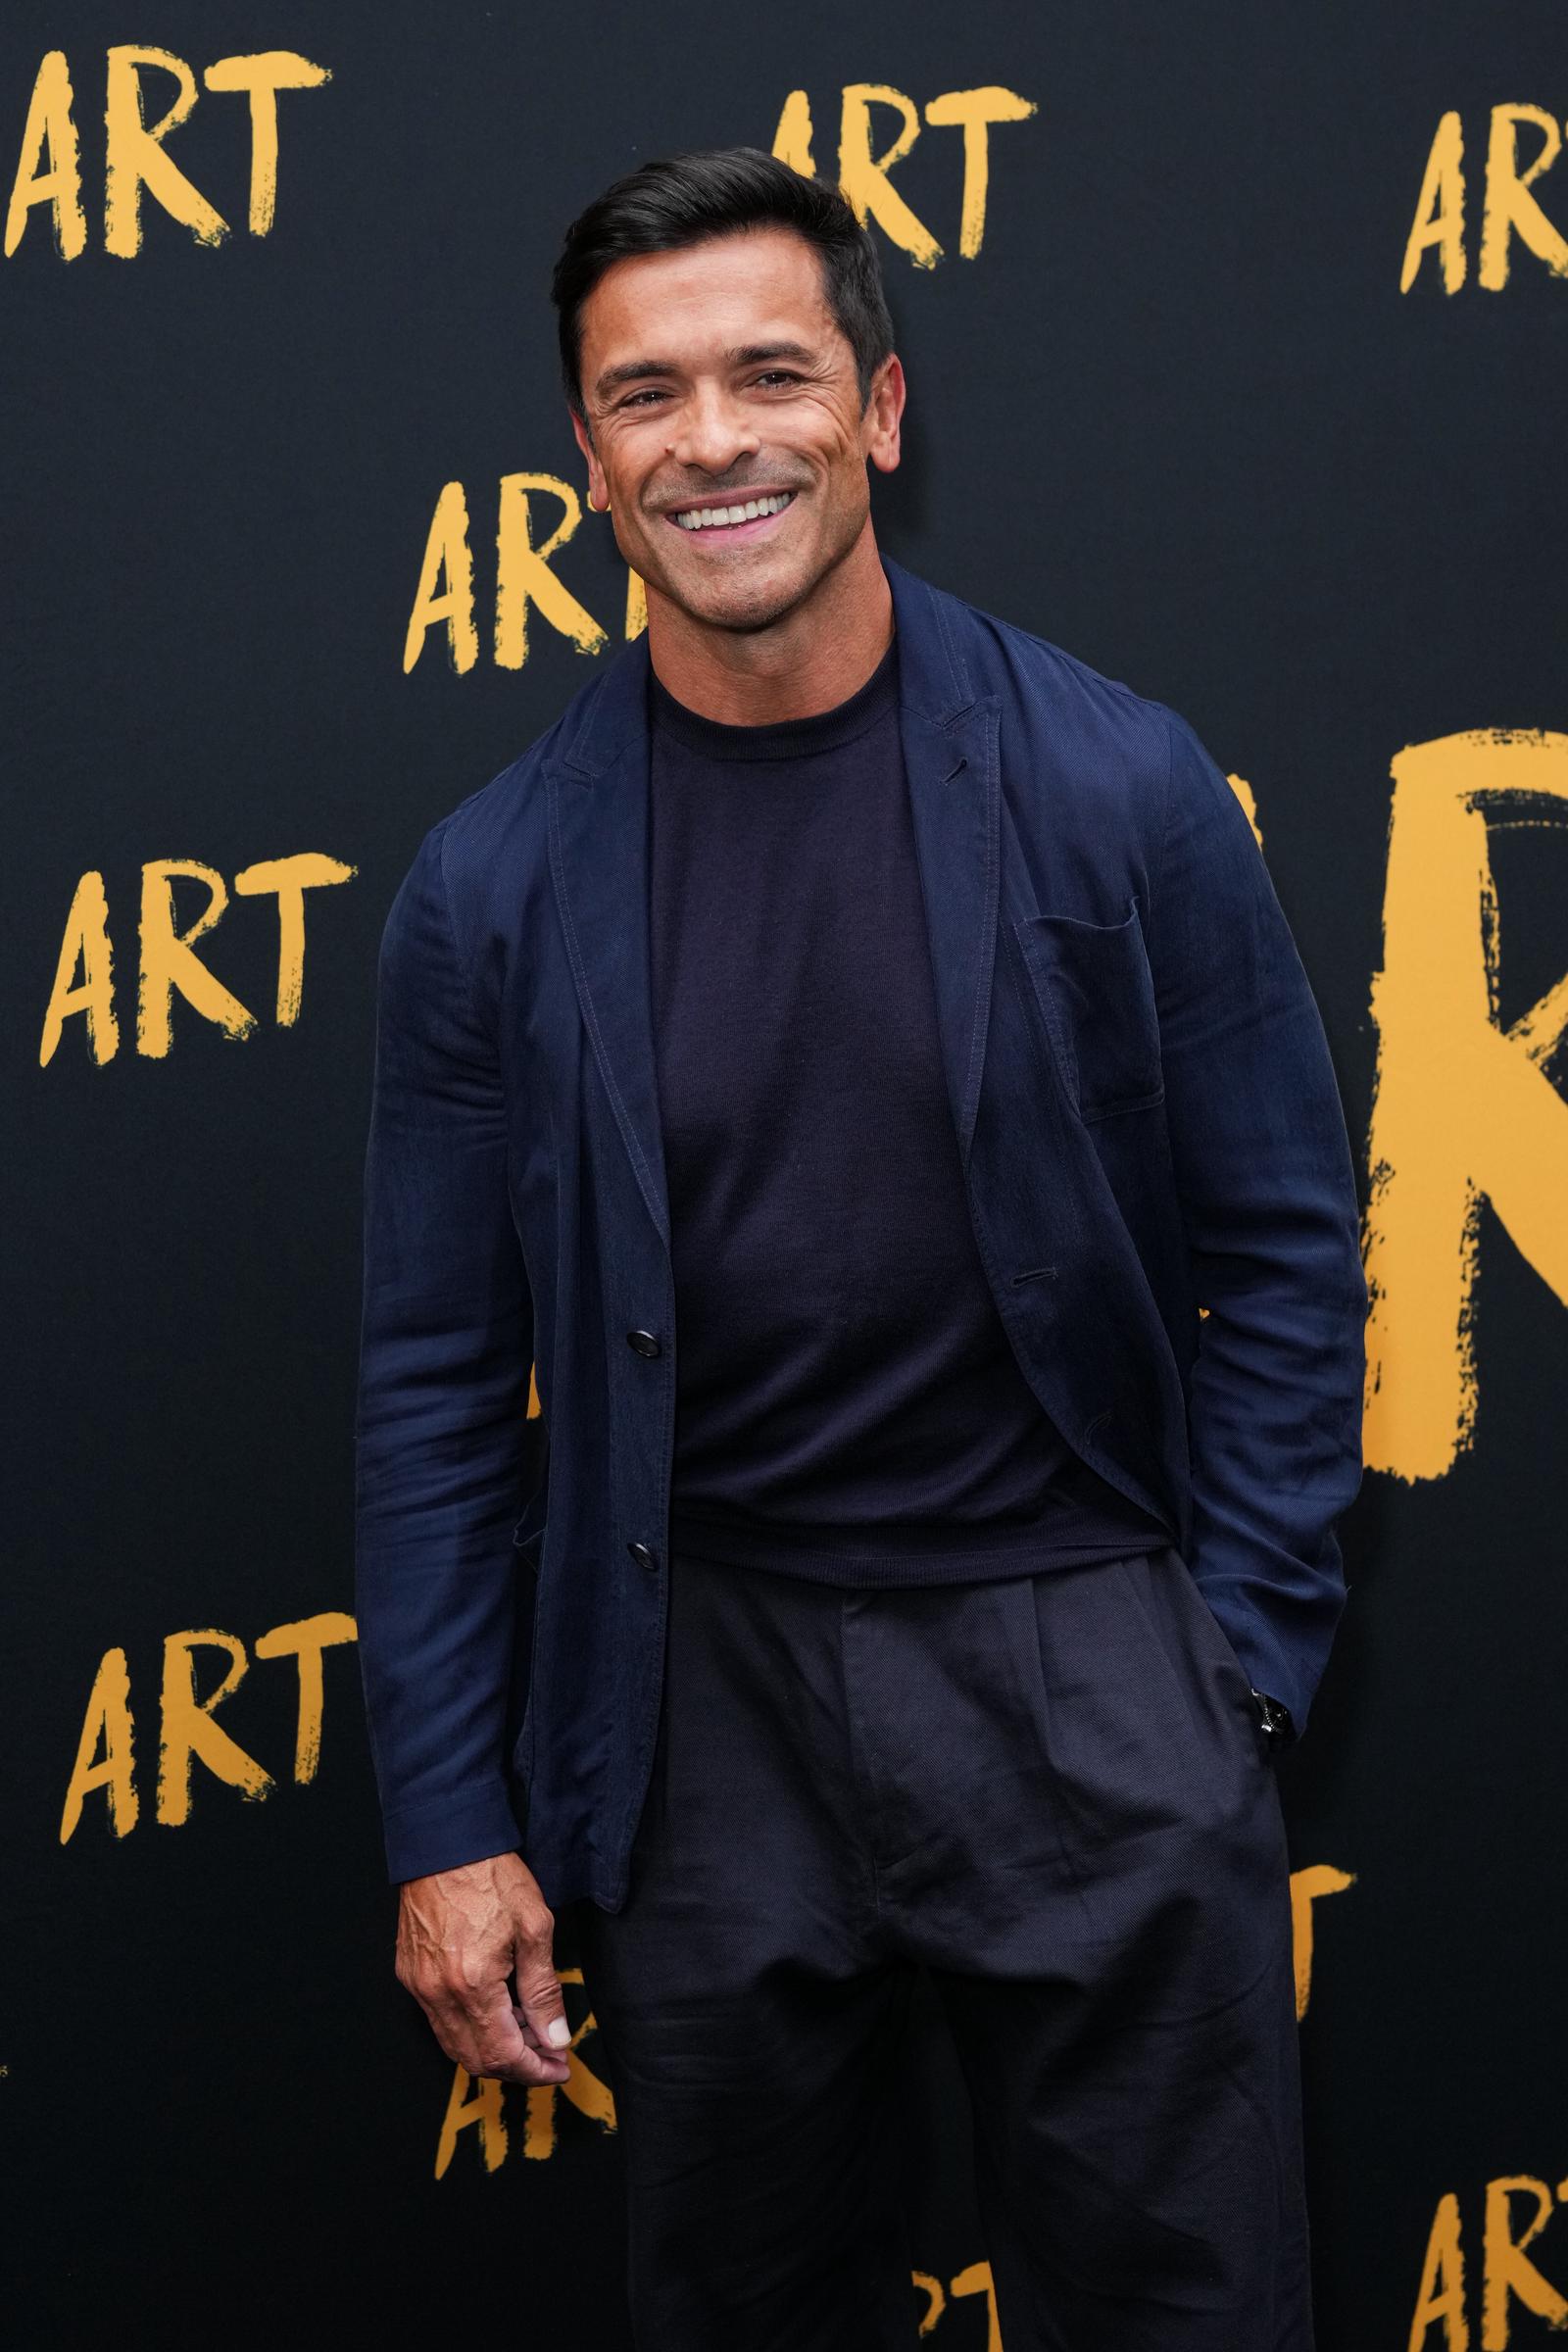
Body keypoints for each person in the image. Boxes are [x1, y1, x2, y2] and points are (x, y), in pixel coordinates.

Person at [353, 144, 1366, 2350]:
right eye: (643, 398)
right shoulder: (492, 888)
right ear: (584, 459)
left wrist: (1232, 1667)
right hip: (693, 1693)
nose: (709, 440)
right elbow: (437, 1384)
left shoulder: (1115, 790)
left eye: (766, 375)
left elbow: (1287, 1247)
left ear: (879, 415)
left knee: (1191, 2308)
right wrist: (450, 1820)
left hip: (1083, 1657)